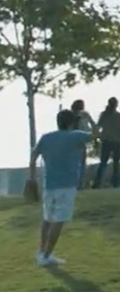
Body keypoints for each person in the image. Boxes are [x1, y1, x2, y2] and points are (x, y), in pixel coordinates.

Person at [28, 109, 93, 267]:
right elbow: (97, 135)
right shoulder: (76, 136)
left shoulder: (47, 138)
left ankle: (42, 251)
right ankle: (46, 256)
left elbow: (34, 155)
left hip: (49, 184)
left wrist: (32, 177)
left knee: (47, 219)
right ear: (71, 122)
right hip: (67, 184)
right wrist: (89, 118)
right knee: (59, 220)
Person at [92, 97, 120, 189]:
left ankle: (98, 182)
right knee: (115, 163)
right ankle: (115, 183)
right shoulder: (117, 116)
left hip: (108, 140)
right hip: (116, 141)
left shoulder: (105, 115)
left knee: (104, 162)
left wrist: (96, 137)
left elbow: (98, 126)